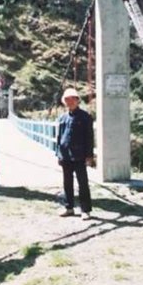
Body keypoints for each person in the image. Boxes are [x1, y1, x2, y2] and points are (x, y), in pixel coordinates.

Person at [56, 87, 94, 220]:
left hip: (80, 155)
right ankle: (69, 207)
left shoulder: (85, 117)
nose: (70, 101)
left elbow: (89, 137)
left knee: (82, 183)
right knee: (67, 182)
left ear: (78, 100)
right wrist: (58, 154)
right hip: (65, 155)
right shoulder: (62, 118)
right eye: (67, 99)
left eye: (72, 99)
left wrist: (89, 156)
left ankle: (85, 210)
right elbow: (59, 137)